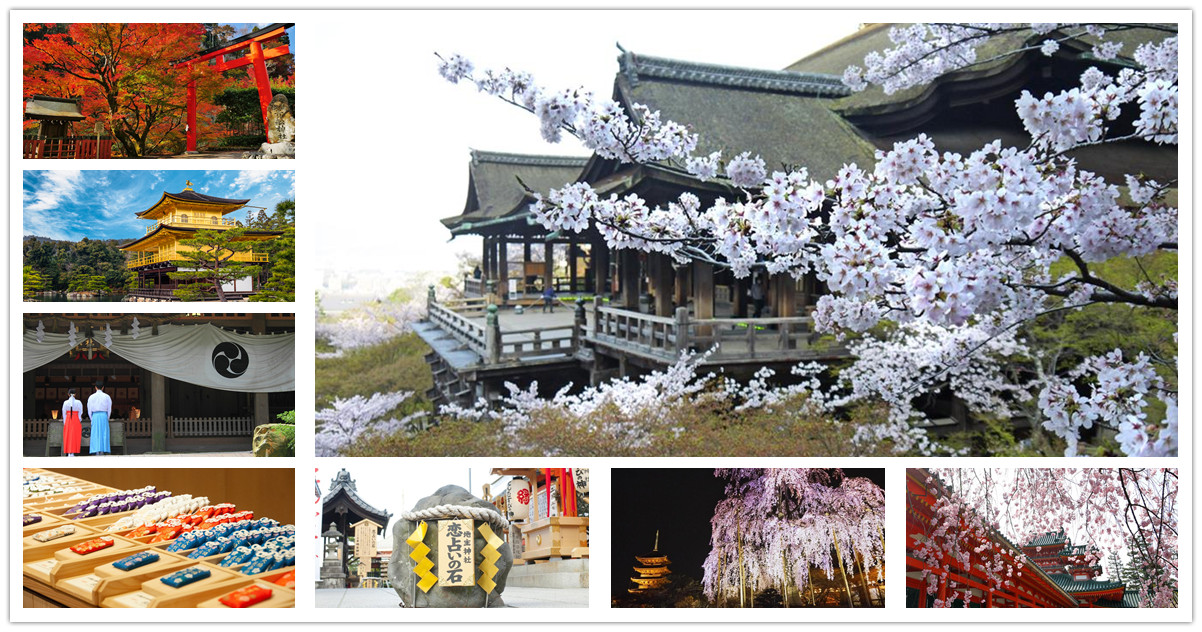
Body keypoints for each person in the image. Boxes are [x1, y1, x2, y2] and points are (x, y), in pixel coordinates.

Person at [87, 380, 113, 456]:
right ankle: (103, 450)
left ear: (95, 387)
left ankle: (96, 450)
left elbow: (89, 409)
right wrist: (107, 417)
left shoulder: (91, 397)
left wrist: (91, 417)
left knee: (95, 433)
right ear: (103, 387)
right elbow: (109, 408)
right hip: (104, 415)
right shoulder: (107, 396)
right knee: (104, 433)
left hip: (95, 415)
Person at [61, 389, 82, 457]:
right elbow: (80, 412)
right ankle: (73, 451)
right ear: (75, 394)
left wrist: (65, 422)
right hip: (76, 418)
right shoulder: (78, 402)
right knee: (75, 435)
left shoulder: (65, 402)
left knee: (68, 435)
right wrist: (79, 419)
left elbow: (64, 413)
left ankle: (69, 452)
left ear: (68, 394)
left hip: (68, 418)